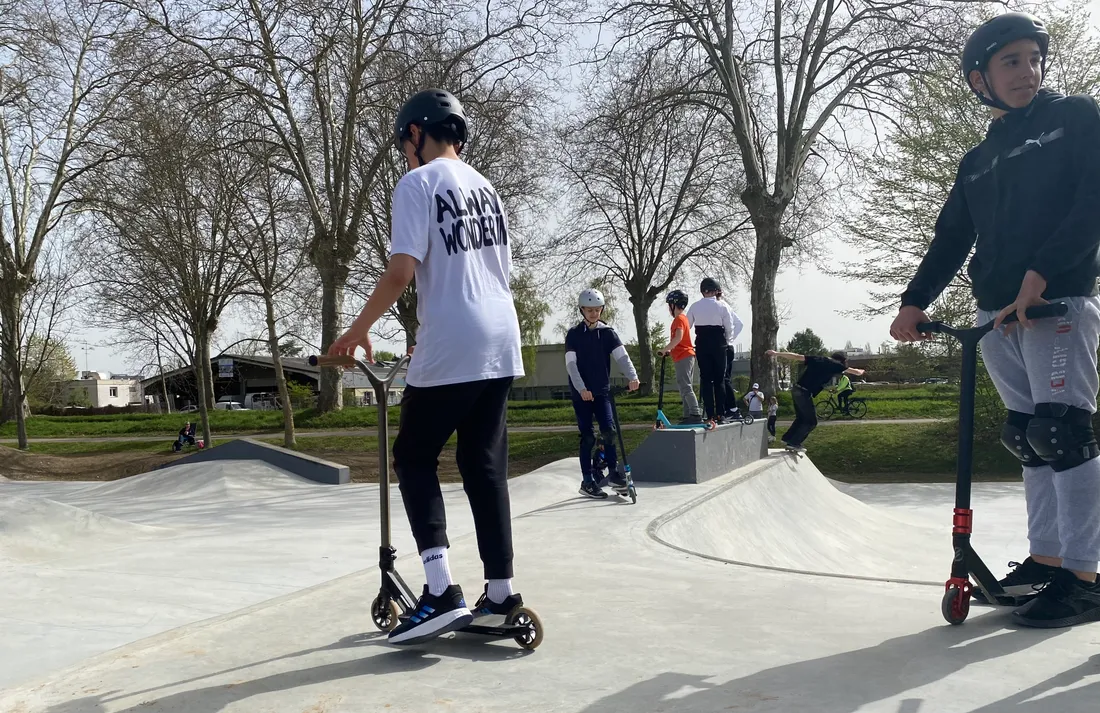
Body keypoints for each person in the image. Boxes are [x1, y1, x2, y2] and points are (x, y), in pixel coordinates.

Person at [890, 12, 1100, 628]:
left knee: (1064, 432)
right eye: (1011, 61)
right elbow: (951, 237)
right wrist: (915, 299)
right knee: (1029, 436)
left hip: (1055, 301)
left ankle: (1085, 577)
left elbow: (1093, 200)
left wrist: (1041, 275)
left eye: (1034, 59)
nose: (1027, 71)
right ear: (979, 78)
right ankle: (1047, 557)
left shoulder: (1075, 119)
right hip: (996, 315)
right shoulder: (978, 161)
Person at [328, 88, 526, 645]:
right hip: (500, 338)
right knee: (483, 466)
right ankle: (500, 595)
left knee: (413, 456)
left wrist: (357, 330)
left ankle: (440, 591)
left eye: (403, 143)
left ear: (416, 133)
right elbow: (485, 272)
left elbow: (401, 271)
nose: (403, 154)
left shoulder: (417, 183)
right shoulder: (488, 189)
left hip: (455, 339)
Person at [565, 288, 641, 499]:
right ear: (581, 310)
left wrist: (632, 377)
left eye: (597, 310)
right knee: (588, 437)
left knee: (609, 431)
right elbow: (571, 366)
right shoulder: (573, 334)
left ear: (601, 310)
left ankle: (615, 474)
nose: (593, 314)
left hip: (602, 391)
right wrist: (582, 389)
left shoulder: (607, 333)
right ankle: (588, 481)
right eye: (589, 310)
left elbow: (622, 357)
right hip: (582, 394)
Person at [766, 350, 865, 451]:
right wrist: (862, 371)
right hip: (804, 393)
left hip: (796, 389)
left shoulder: (818, 359)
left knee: (801, 418)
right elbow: (856, 372)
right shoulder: (837, 365)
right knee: (811, 421)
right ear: (842, 360)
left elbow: (796, 356)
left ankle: (787, 438)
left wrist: (776, 353)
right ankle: (794, 442)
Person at [687, 278, 743, 423]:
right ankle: (720, 414)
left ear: (702, 291)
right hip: (719, 343)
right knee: (719, 380)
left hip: (702, 342)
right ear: (715, 291)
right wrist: (727, 340)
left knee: (706, 379)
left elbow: (687, 326)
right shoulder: (722, 305)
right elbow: (729, 327)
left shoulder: (695, 306)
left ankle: (709, 414)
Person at [659, 289, 704, 425]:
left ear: (674, 305)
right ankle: (687, 415)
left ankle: (695, 413)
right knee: (684, 386)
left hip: (684, 356)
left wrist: (665, 349)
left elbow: (678, 338)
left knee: (685, 386)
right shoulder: (683, 318)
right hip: (685, 355)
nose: (668, 309)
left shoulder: (678, 319)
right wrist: (669, 351)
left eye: (669, 305)